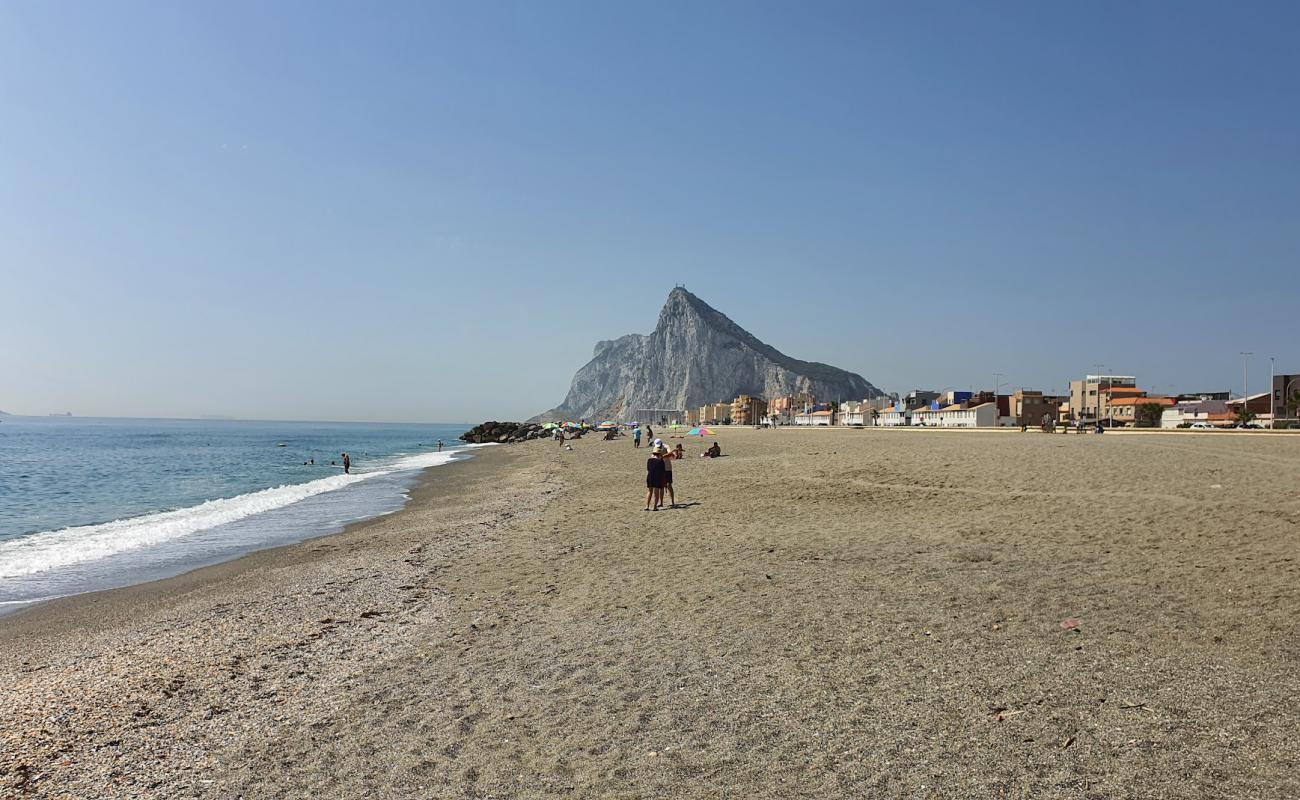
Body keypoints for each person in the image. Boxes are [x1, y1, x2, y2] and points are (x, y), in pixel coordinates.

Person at [654, 440, 676, 508]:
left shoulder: (666, 446)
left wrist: (662, 456)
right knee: (661, 487)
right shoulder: (655, 447)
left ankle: (672, 502)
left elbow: (670, 454)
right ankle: (661, 503)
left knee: (669, 485)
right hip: (660, 469)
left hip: (668, 468)